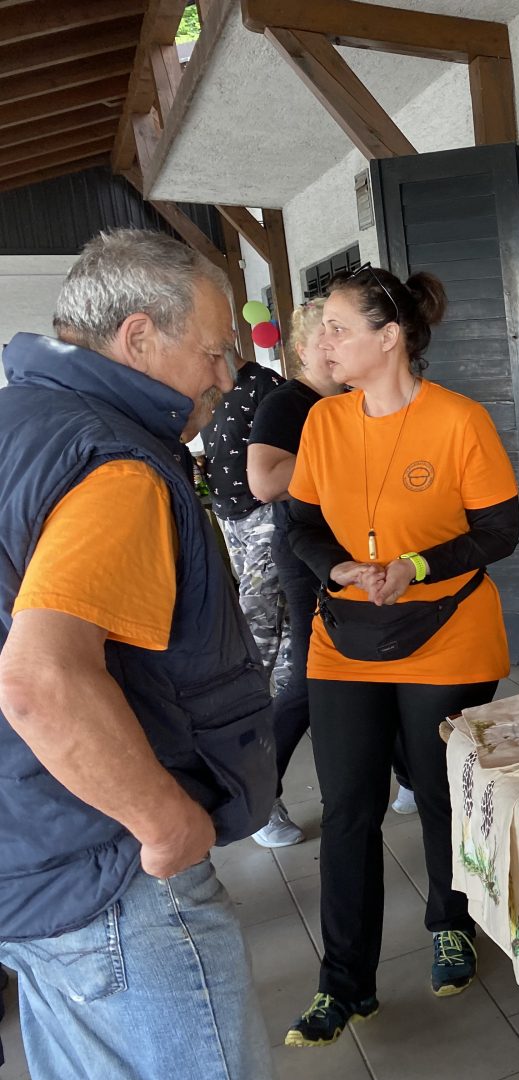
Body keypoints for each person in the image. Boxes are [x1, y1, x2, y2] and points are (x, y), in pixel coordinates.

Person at [0, 229, 276, 1078]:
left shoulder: (19, 421)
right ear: (138, 337)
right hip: (110, 873)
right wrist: (165, 824)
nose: (225, 377)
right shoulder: (112, 465)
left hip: (34, 853)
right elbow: (41, 680)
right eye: (214, 351)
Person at [283, 265, 519, 1047]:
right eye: (323, 329)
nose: (323, 342)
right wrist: (338, 568)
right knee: (348, 807)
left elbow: (500, 530)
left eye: (338, 328)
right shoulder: (324, 423)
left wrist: (413, 566)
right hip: (346, 638)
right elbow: (300, 524)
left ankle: (452, 923)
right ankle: (343, 981)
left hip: (447, 634)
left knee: (441, 788)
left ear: (389, 338)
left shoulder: (459, 420)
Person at [245, 299, 343, 847]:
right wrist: (339, 446)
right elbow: (264, 481)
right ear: (301, 349)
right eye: (324, 337)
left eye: (341, 334)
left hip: (353, 546)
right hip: (305, 550)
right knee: (309, 675)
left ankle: (406, 774)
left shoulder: (351, 398)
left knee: (377, 659)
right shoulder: (287, 402)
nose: (334, 347)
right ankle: (258, 796)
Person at [201, 350, 288, 689]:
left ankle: (245, 694)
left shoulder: (265, 383)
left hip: (264, 510)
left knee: (256, 607)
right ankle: (287, 695)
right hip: (228, 512)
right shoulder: (208, 385)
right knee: (277, 610)